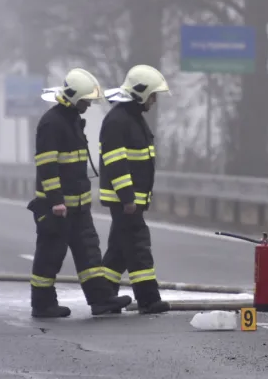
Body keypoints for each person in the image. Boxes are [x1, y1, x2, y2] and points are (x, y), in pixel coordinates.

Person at [27, 68, 133, 318]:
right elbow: (47, 166)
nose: (88, 104)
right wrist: (56, 201)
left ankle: (101, 300)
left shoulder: (72, 119)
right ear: (74, 98)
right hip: (58, 208)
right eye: (86, 100)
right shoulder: (52, 123)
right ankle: (42, 304)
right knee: (50, 256)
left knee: (90, 254)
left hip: (79, 207)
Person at [98, 65, 171, 315]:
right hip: (124, 200)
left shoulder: (131, 117)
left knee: (119, 250)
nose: (154, 100)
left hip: (131, 199)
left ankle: (103, 296)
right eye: (152, 95)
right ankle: (148, 299)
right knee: (139, 245)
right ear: (141, 93)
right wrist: (127, 197)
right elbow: (116, 163)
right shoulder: (118, 121)